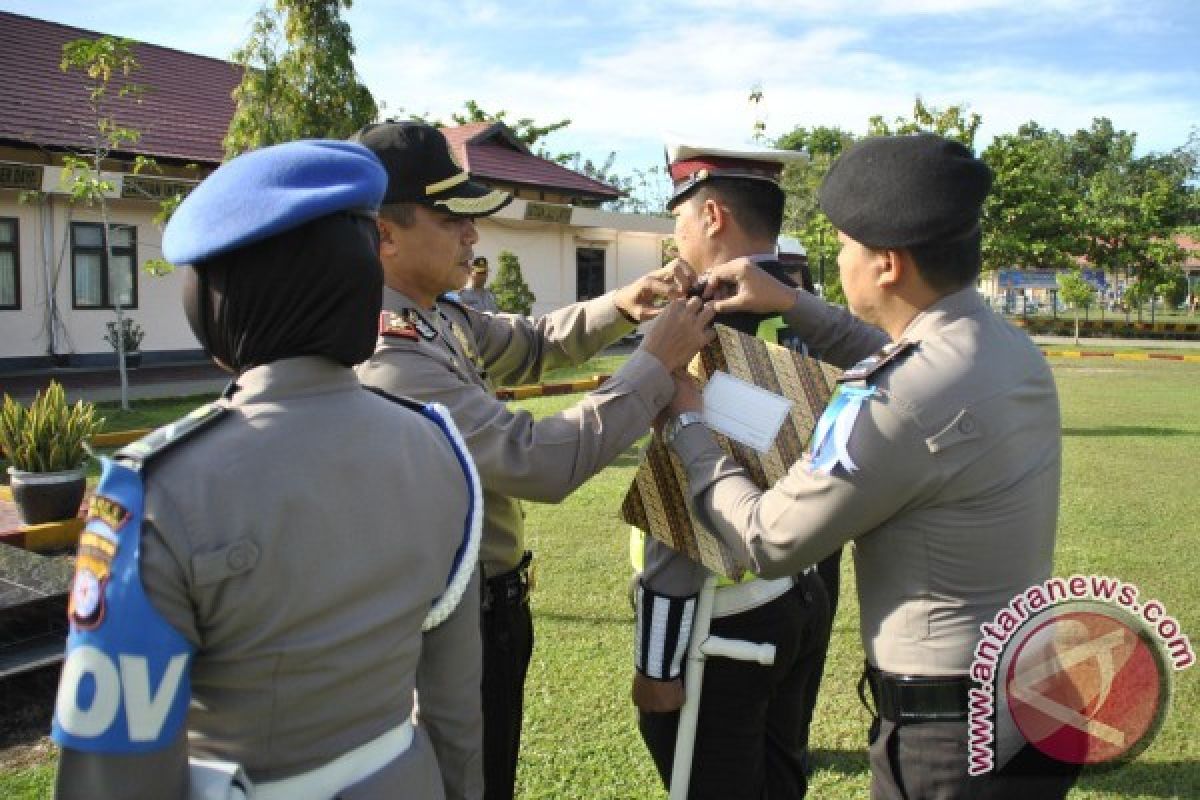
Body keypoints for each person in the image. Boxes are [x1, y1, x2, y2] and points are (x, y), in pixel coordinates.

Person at [52, 140, 485, 800]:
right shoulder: (438, 448)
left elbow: (112, 767)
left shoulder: (153, 489)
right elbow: (455, 711)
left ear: (220, 303)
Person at [667, 134, 1080, 799]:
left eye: (845, 246)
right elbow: (904, 355)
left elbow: (768, 539)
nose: (838, 259)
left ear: (885, 264)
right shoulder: (1004, 346)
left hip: (951, 743)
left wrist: (688, 424)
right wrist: (791, 301)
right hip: (1032, 702)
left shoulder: (894, 397)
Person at [350, 120, 716, 800]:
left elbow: (536, 340)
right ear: (383, 235)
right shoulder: (387, 355)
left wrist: (628, 302)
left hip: (493, 612)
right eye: (450, 217)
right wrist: (655, 363)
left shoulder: (438, 316)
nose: (472, 235)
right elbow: (537, 459)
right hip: (448, 632)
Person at [630, 140, 832, 800]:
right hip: (802, 590)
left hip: (725, 621)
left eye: (680, 216)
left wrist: (657, 660)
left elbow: (686, 503)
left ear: (712, 215)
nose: (676, 233)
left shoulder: (711, 320)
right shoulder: (804, 307)